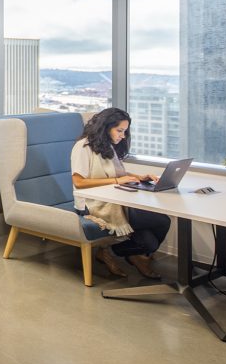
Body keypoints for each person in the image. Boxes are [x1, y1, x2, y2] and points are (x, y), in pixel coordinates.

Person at [71, 107, 172, 279]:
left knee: (149, 242)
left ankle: (110, 252)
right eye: (119, 131)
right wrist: (117, 181)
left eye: (124, 131)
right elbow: (79, 182)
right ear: (106, 127)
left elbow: (117, 174)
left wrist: (139, 177)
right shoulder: (83, 146)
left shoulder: (107, 146)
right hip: (91, 204)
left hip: (114, 199)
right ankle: (135, 257)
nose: (123, 136)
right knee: (162, 221)